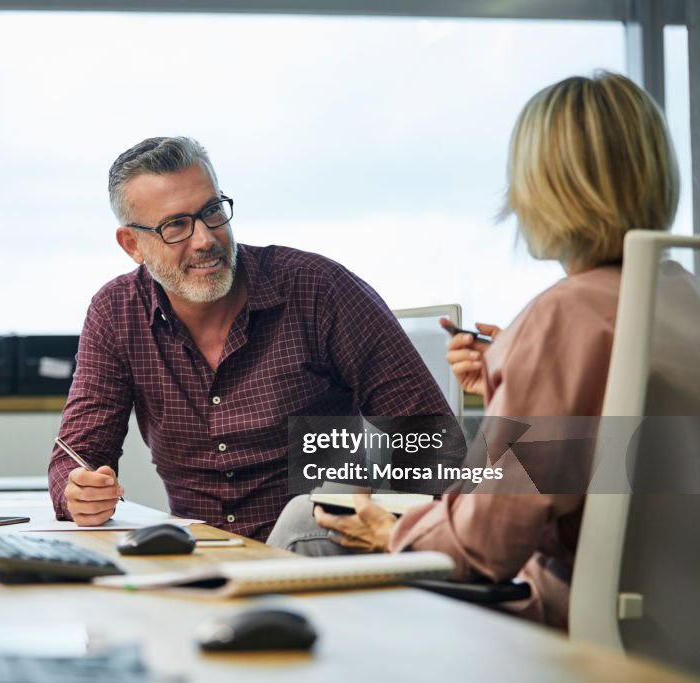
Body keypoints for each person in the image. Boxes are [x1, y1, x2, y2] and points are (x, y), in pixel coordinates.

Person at [269, 71, 681, 629]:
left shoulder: (564, 317)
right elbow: (625, 454)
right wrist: (513, 381)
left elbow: (483, 547)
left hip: (560, 614)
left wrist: (389, 531)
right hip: (670, 622)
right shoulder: (677, 297)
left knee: (307, 522)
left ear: (547, 188)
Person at [47, 136, 453, 540]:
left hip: (318, 551)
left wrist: (409, 540)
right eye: (176, 226)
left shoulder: (320, 290)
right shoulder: (115, 312)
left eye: (212, 212)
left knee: (300, 521)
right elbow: (75, 458)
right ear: (132, 244)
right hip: (201, 558)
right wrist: (80, 492)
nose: (205, 239)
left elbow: (435, 442)